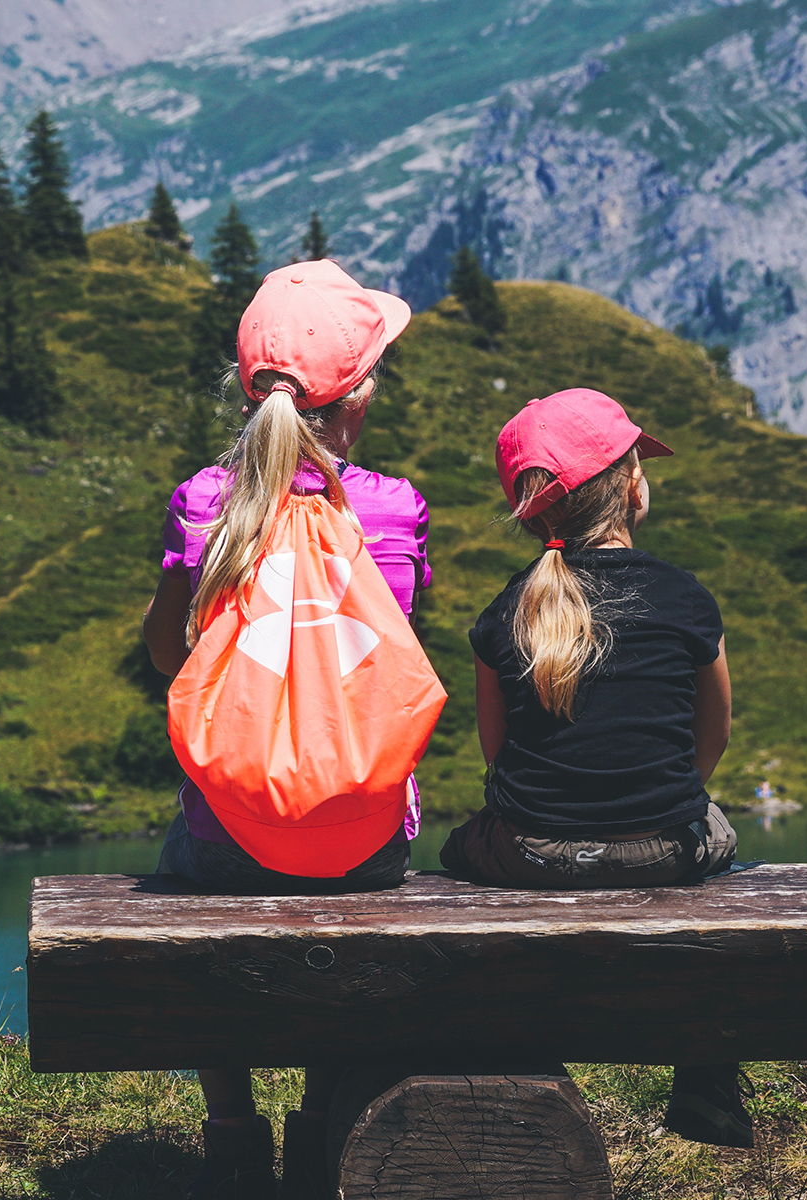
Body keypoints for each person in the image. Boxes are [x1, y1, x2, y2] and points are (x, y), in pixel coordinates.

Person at [143, 259, 432, 1199]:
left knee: (185, 850)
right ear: (360, 397)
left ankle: (231, 1121)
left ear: (245, 385)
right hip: (367, 842)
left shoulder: (200, 504)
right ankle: (321, 1114)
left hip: (227, 842)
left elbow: (165, 656)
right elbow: (387, 659)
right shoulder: (391, 511)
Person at [440, 387, 752, 1148]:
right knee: (719, 830)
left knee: (458, 849)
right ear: (632, 485)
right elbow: (709, 741)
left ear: (534, 514)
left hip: (532, 853)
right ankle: (706, 1073)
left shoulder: (505, 609)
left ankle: (523, 1052)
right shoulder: (686, 598)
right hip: (665, 848)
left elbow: (497, 757)